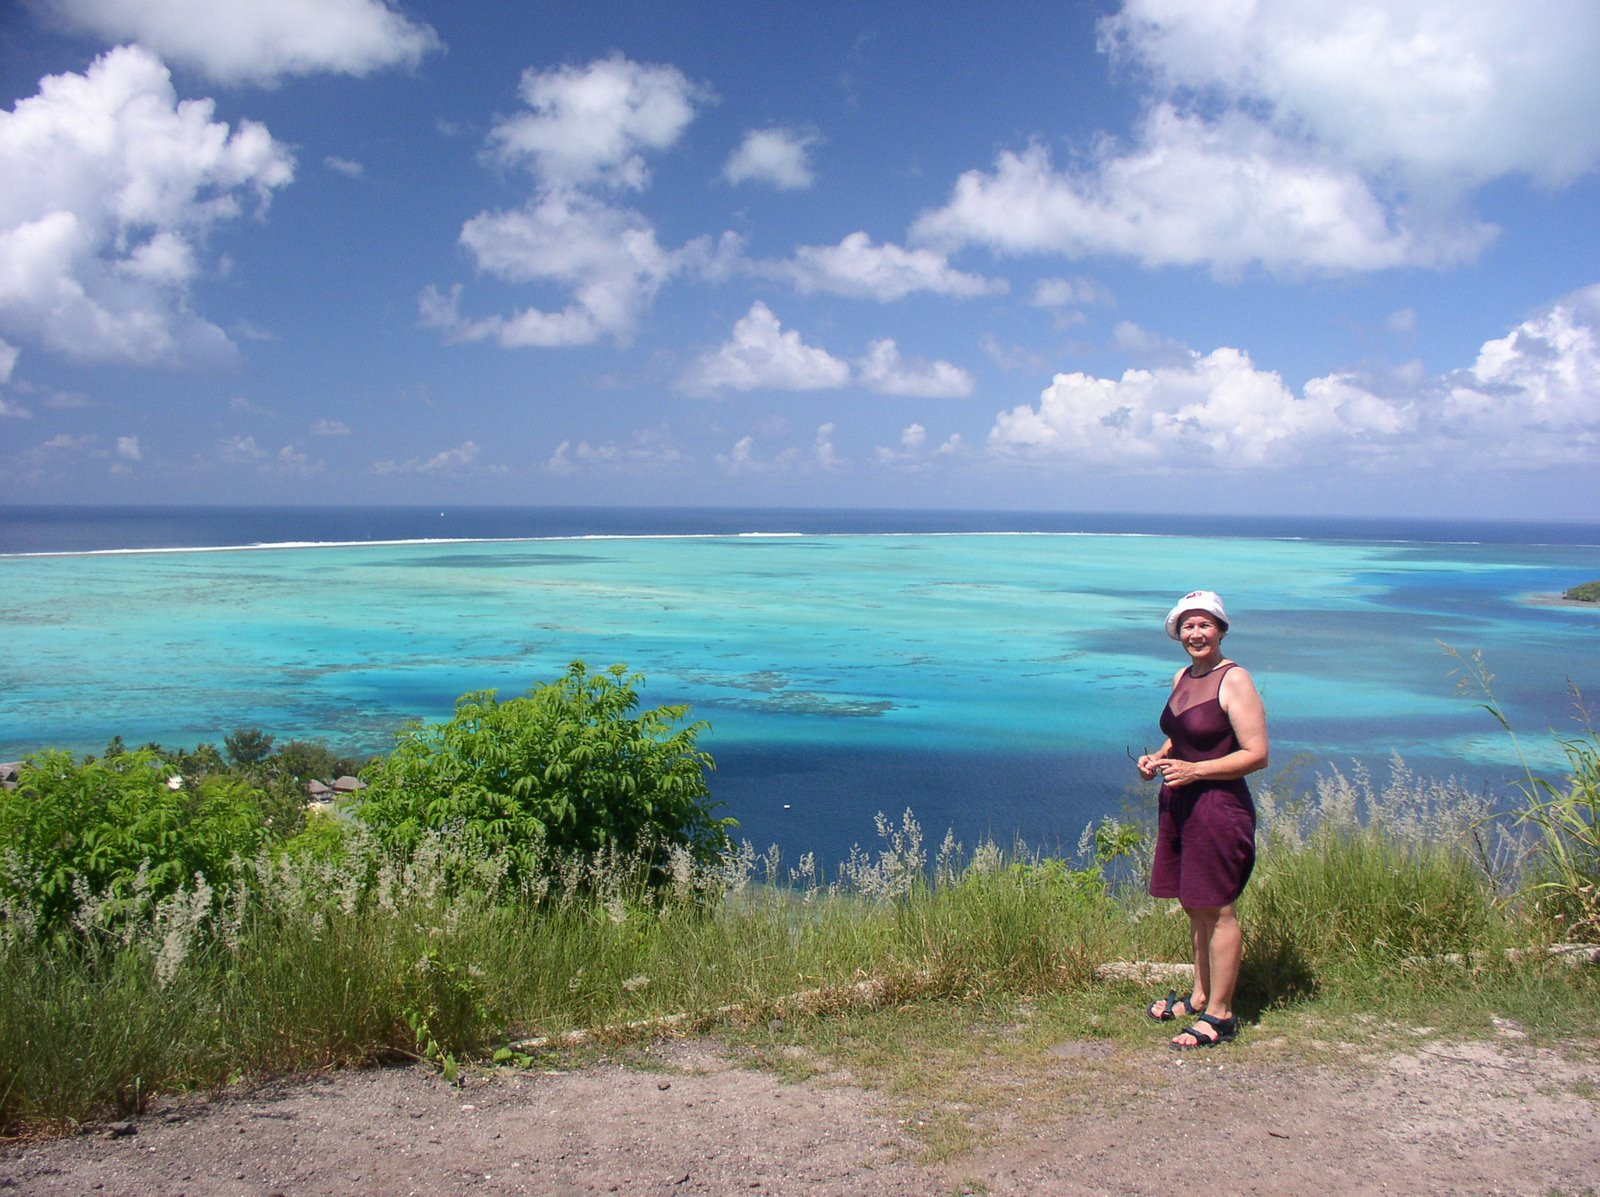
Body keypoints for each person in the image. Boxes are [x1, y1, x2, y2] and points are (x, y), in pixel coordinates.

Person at [1135, 590, 1269, 1049]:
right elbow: (1181, 737)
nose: (1196, 633)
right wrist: (1159, 758)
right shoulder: (1183, 676)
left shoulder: (1235, 680)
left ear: (1222, 630)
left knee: (1220, 909)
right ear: (1177, 633)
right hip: (1180, 804)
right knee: (1194, 905)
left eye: (1205, 624)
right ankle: (1200, 996)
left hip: (1218, 806)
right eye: (1188, 626)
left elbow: (1257, 755)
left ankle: (1222, 1014)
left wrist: (1195, 771)